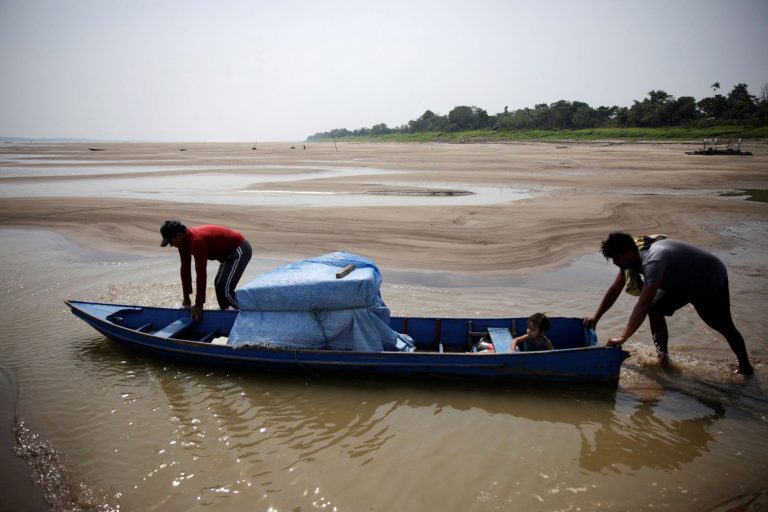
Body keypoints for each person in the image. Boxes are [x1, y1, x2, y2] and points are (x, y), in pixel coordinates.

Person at [583, 232, 753, 375]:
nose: (615, 263)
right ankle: (663, 358)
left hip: (707, 280)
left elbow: (643, 303)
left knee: (722, 325)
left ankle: (745, 367)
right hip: (680, 283)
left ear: (627, 254)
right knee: (655, 309)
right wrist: (596, 317)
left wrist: (623, 337)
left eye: (616, 259)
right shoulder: (632, 258)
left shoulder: (653, 262)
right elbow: (615, 290)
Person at [160, 220, 252, 321]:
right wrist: (186, 298)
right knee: (218, 285)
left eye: (171, 242)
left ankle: (250, 315)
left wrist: (199, 304)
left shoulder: (196, 241)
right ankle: (228, 315)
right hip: (227, 255)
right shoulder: (182, 244)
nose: (171, 245)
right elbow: (185, 270)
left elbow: (201, 274)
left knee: (225, 288)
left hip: (239, 249)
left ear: (178, 235)